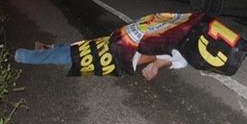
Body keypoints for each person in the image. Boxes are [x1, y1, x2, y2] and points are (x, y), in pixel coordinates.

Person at [15, 40, 188, 81]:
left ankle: (24, 56)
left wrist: (157, 64)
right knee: (80, 47)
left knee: (74, 56)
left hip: (119, 56)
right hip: (121, 42)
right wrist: (157, 63)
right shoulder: (179, 33)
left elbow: (176, 60)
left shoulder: (184, 54)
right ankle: (49, 49)